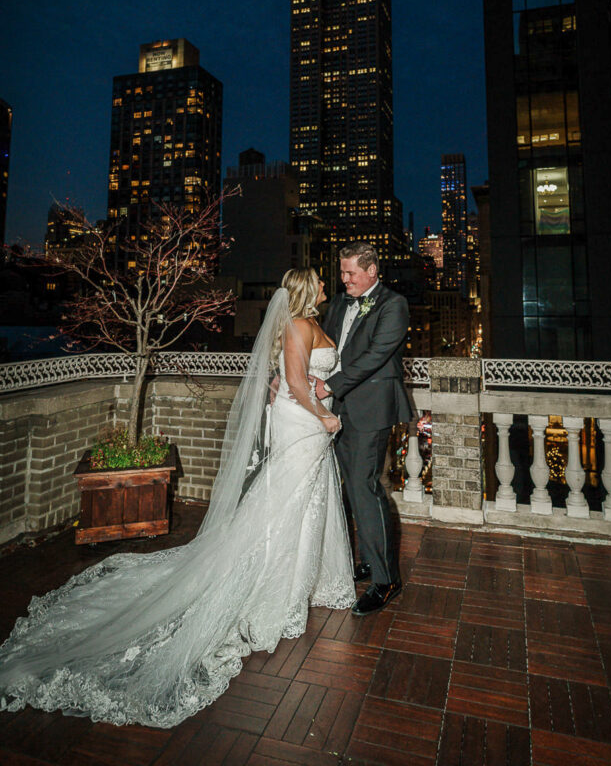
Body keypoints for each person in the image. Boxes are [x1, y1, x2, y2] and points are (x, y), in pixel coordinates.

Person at [0, 269, 354, 729]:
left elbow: (297, 377)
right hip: (303, 422)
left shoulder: (310, 323)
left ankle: (306, 579)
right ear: (308, 289)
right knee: (286, 501)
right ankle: (277, 586)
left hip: (302, 419)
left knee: (305, 501)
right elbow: (296, 381)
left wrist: (316, 393)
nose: (327, 287)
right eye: (321, 283)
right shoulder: (299, 325)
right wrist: (324, 415)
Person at [314, 241, 412, 616]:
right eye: (341, 272)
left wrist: (330, 385)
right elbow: (323, 344)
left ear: (372, 271)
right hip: (338, 411)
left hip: (371, 410)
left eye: (351, 273)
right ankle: (371, 558)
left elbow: (375, 356)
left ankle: (386, 581)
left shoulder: (393, 304)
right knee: (348, 490)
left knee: (363, 486)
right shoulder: (340, 303)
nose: (344, 279)